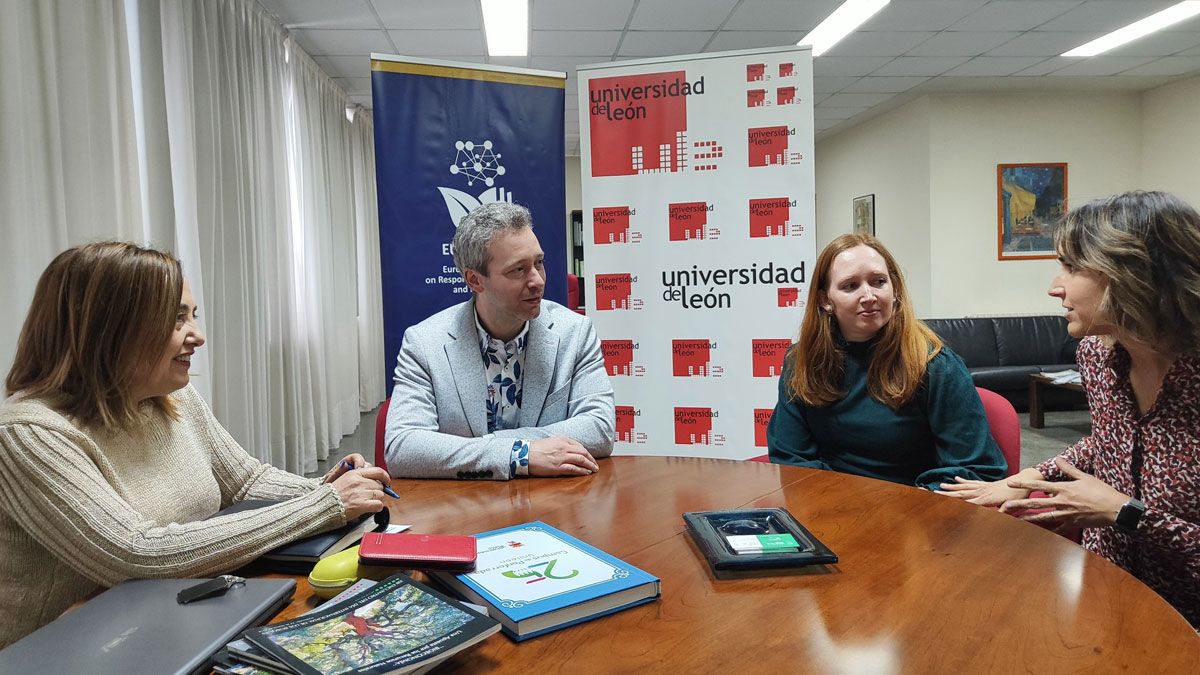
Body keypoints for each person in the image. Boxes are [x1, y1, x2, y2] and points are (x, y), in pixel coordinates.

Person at [0, 242, 394, 648]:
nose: (199, 336)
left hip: (159, 624)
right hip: (54, 651)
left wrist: (333, 487)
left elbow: (244, 482)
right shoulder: (29, 433)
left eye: (193, 316)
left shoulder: (173, 397)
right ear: (108, 329)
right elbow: (136, 556)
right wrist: (323, 505)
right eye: (176, 320)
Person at [940, 190, 1200, 629]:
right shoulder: (1097, 357)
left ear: (1134, 274)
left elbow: (1124, 505)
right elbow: (1110, 440)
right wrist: (1030, 478)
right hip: (1107, 592)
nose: (1053, 286)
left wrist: (1127, 513)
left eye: (1072, 267)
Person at [385, 202, 614, 480]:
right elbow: (402, 448)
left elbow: (599, 428)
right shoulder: (424, 343)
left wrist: (489, 446)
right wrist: (519, 454)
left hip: (553, 506)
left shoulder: (575, 332)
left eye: (539, 263)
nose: (537, 281)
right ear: (474, 279)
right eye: (518, 270)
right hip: (464, 511)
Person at [767, 233, 1007, 489]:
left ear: (894, 290)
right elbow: (791, 457)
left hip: (915, 512)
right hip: (829, 507)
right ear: (825, 300)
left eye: (879, 282)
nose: (869, 295)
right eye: (850, 286)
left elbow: (978, 470)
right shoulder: (801, 362)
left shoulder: (936, 365)